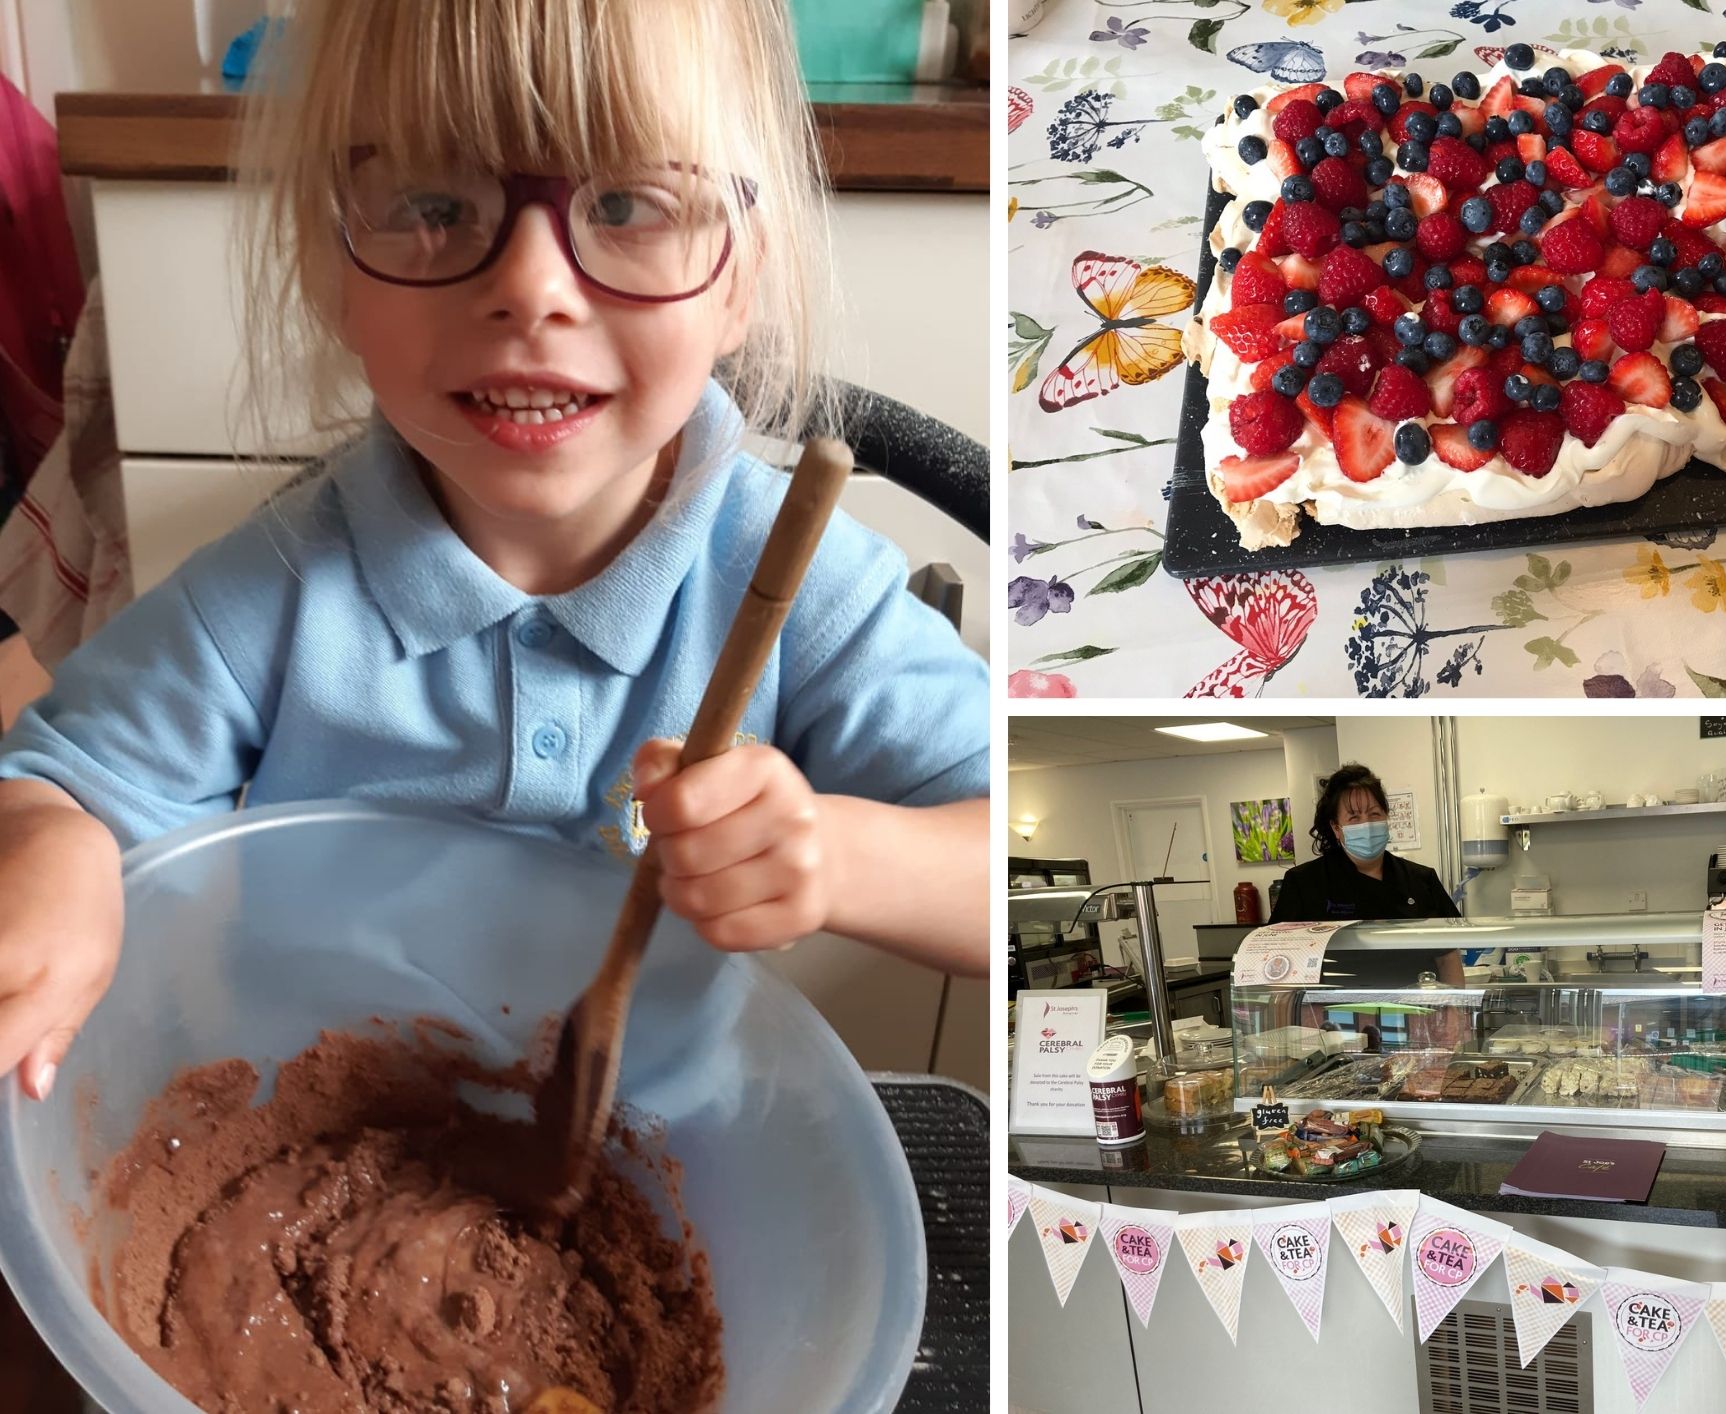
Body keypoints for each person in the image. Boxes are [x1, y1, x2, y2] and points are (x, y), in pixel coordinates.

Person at [0, 0, 989, 1102]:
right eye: (432, 202)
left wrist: (838, 857)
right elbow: (56, 784)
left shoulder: (804, 594)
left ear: (739, 276)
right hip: (311, 1132)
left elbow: (999, 867)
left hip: (670, 1160)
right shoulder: (273, 595)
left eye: (628, 203)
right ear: (330, 268)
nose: (530, 286)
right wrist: (56, 854)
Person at [1268, 763, 1465, 987]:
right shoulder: (1305, 883)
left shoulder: (1420, 879)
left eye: (1374, 814)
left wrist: (1454, 1011)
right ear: (1336, 827)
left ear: (1386, 818)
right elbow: (1279, 959)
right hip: (1331, 1016)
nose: (1367, 825)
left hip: (1417, 1012)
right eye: (1354, 818)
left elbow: (1448, 956)